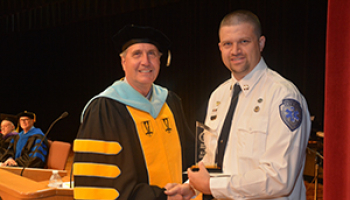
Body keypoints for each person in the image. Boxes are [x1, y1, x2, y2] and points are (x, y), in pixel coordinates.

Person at [165, 10, 311, 200]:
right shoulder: (218, 96)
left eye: (244, 41)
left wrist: (212, 185)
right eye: (228, 44)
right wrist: (191, 186)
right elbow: (214, 160)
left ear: (260, 43)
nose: (235, 51)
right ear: (220, 48)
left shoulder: (283, 96)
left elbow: (280, 178)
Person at [73, 24, 195, 200]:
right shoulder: (105, 108)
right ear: (123, 62)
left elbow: (189, 154)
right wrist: (160, 197)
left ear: (160, 60)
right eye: (137, 54)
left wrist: (187, 186)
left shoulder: (170, 101)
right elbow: (101, 182)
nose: (146, 61)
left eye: (152, 53)